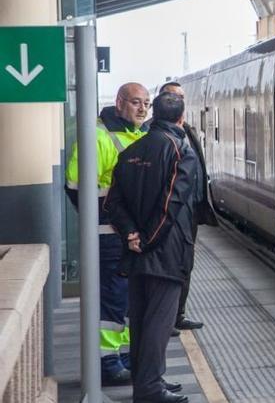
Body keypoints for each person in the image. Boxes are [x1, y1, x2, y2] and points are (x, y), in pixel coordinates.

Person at [105, 92, 195, 403]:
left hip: (136, 251)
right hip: (165, 252)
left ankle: (145, 386)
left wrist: (131, 234)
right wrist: (148, 239)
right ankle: (151, 389)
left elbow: (113, 202)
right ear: (180, 118)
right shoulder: (181, 150)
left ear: (154, 115)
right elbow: (172, 204)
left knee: (141, 321)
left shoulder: (131, 150)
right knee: (159, 323)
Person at [65, 82, 150, 384]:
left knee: (127, 298)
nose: (142, 109)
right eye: (136, 102)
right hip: (108, 234)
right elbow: (76, 187)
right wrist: (105, 217)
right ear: (119, 102)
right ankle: (106, 362)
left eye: (146, 104)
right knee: (112, 298)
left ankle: (123, 354)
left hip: (130, 235)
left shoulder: (139, 136)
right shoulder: (99, 137)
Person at [152, 81, 217, 333]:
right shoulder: (155, 134)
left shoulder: (187, 131)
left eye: (180, 97)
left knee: (185, 264)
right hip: (170, 213)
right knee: (167, 267)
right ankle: (166, 318)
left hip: (189, 211)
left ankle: (178, 313)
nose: (177, 100)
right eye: (171, 96)